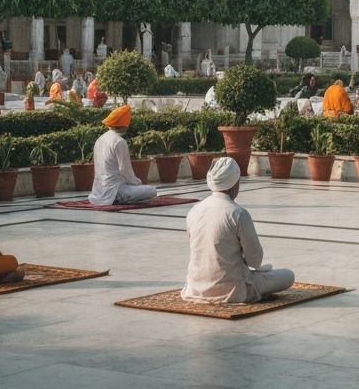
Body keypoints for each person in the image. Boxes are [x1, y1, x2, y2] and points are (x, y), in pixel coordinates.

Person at [181, 157, 295, 304]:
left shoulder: (194, 210)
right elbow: (255, 260)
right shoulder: (237, 213)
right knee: (288, 276)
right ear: (234, 184)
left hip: (196, 287)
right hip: (233, 289)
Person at [88, 105, 158, 206]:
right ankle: (119, 198)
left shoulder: (100, 139)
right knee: (152, 190)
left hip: (98, 190)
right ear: (124, 124)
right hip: (115, 190)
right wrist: (137, 183)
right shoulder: (119, 142)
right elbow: (124, 170)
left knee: (136, 187)